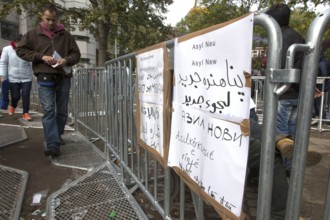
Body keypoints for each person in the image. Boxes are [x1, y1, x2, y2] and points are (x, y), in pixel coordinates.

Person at [16, 3, 81, 157]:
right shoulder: (33, 33)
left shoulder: (66, 35)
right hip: (44, 76)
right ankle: (52, 144)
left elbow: (76, 54)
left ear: (57, 18)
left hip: (63, 77)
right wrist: (40, 56)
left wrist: (66, 60)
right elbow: (20, 50)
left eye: (53, 19)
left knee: (62, 111)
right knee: (49, 110)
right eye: (48, 19)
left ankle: (56, 136)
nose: (51, 22)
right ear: (42, 17)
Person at [265, 4, 305, 171]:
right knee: (294, 131)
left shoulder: (278, 38)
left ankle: (287, 166)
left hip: (282, 93)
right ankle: (296, 164)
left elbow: (278, 67)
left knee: (280, 132)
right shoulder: (299, 37)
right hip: (297, 92)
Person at [0, 35, 33, 120]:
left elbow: (32, 62)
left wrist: (34, 73)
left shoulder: (28, 49)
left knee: (26, 95)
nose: (19, 45)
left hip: (26, 77)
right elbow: (3, 63)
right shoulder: (7, 49)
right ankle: (13, 105)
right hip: (13, 77)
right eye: (17, 43)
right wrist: (3, 75)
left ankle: (25, 113)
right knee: (15, 96)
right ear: (14, 42)